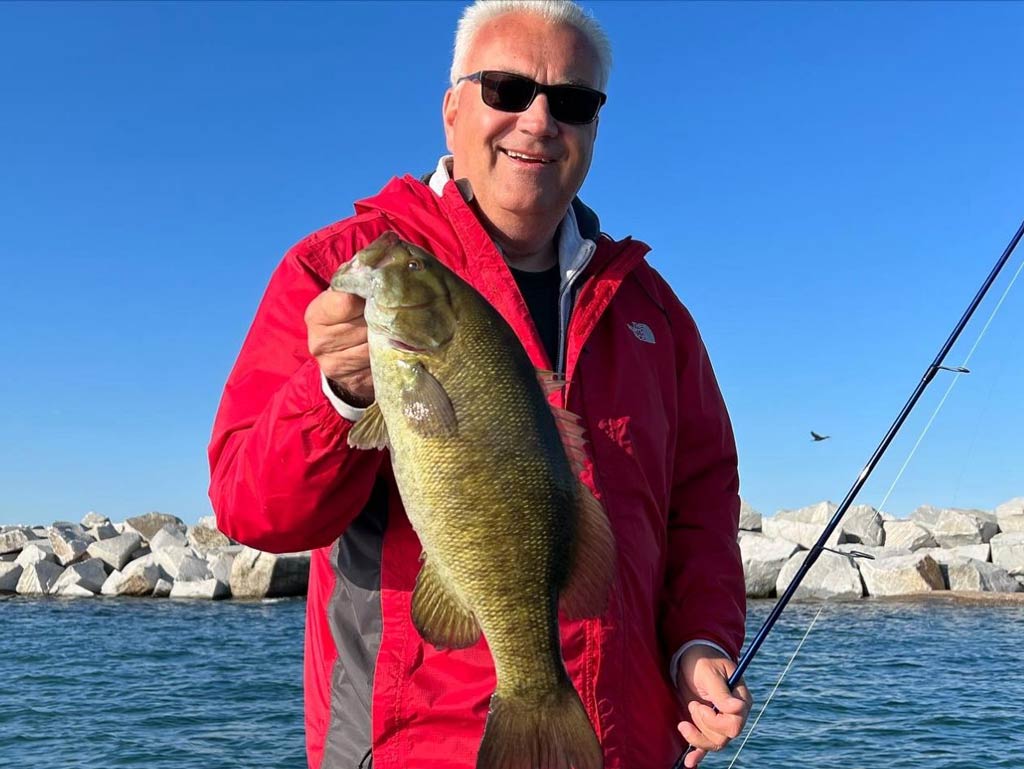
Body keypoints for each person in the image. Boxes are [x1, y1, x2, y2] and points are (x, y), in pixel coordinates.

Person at [208, 1, 752, 767]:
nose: (537, 121)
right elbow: (250, 507)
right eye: (506, 89)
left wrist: (700, 643)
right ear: (452, 108)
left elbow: (700, 501)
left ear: (595, 127)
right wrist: (339, 395)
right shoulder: (335, 270)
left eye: (571, 102)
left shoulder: (654, 312)